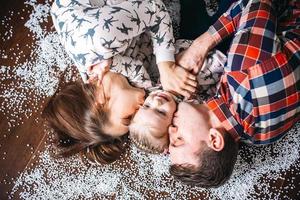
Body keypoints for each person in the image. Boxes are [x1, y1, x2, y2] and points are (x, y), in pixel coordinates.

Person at [44, 0, 197, 164]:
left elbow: (154, 8)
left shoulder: (100, 41)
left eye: (128, 117)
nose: (138, 114)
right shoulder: (105, 80)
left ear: (100, 101)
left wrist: (166, 66)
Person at [168, 0, 300, 188]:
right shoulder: (243, 73)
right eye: (179, 140)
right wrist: (199, 46)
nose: (171, 131)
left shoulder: (259, 138)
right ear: (214, 139)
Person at [129, 40, 226, 154]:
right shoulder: (192, 104)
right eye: (161, 112)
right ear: (174, 123)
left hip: (186, 38)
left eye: (147, 105)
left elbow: (135, 61)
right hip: (222, 56)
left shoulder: (148, 85)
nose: (156, 101)